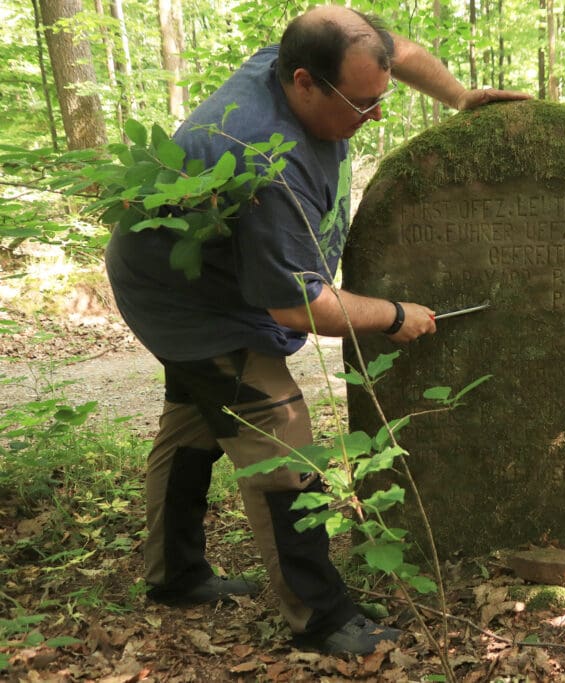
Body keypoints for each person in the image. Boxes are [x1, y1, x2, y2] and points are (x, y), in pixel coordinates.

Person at [104, 4, 529, 656]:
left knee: (194, 417)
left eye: (379, 96)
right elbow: (298, 307)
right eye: (363, 104)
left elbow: (400, 51)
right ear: (303, 81)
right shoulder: (258, 157)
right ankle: (322, 617)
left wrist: (460, 95)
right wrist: (392, 314)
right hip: (189, 302)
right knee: (283, 442)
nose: (376, 115)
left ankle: (174, 575)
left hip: (200, 274)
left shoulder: (317, 61)